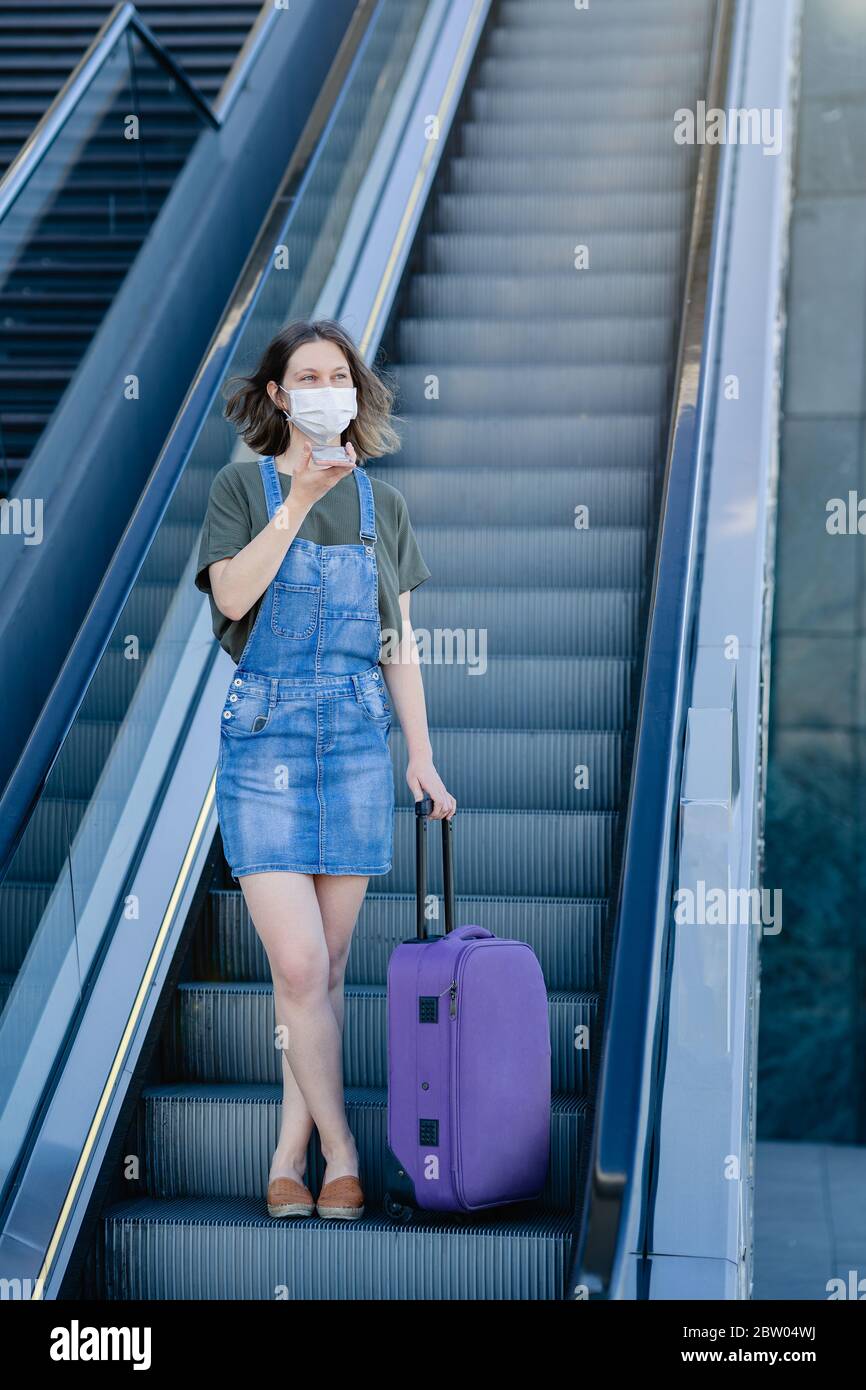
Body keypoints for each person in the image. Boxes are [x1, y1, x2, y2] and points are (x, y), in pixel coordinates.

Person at [194, 318, 456, 1222]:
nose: (321, 389)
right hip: (264, 741)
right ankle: (344, 1151)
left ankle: (288, 1153)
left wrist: (420, 755)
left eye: (335, 375)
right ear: (277, 395)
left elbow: (397, 644)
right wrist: (297, 504)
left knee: (327, 969)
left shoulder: (387, 508)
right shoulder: (240, 488)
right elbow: (231, 596)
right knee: (301, 968)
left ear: (354, 392)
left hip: (353, 741)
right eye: (304, 376)